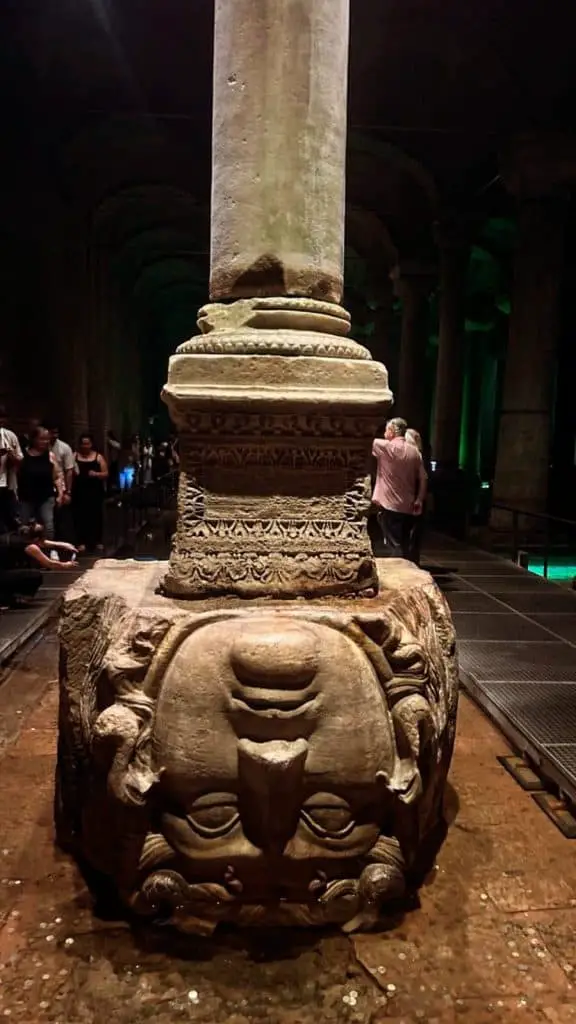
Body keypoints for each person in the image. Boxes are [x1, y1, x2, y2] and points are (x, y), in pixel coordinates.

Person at [372, 417, 428, 561]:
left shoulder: (383, 446)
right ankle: (408, 566)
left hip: (389, 504)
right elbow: (423, 478)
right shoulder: (415, 452)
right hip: (408, 505)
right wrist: (419, 499)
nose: (384, 433)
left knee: (395, 545)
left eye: (386, 429)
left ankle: (402, 572)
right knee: (403, 541)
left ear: (391, 431)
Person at [0, 522, 77, 610]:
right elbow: (50, 564)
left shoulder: (16, 536)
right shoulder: (30, 547)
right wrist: (66, 565)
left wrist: (63, 544)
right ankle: (10, 599)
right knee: (35, 575)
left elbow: (43, 543)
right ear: (36, 538)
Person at [18, 426, 63, 540]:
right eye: (41, 439)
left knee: (48, 525)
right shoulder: (23, 456)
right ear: (34, 439)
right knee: (24, 525)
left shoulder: (50, 456)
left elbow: (57, 476)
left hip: (46, 496)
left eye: (47, 439)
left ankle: (49, 549)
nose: (45, 442)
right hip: (26, 496)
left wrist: (61, 494)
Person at [72, 433, 108, 553]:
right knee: (81, 516)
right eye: (83, 443)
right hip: (80, 491)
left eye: (87, 443)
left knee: (96, 516)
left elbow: (105, 473)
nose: (85, 446)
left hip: (94, 492)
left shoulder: (98, 457)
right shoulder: (75, 456)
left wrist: (96, 474)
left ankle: (97, 541)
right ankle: (81, 541)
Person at [405, 428, 427, 565]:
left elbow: (423, 478)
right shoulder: (415, 455)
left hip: (414, 499)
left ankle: (411, 562)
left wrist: (419, 498)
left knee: (412, 535)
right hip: (412, 498)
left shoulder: (416, 455)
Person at [0, 406, 23, 530]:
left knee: (11, 518)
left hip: (8, 483)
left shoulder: (9, 436)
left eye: (2, 421)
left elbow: (20, 460)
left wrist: (12, 456)